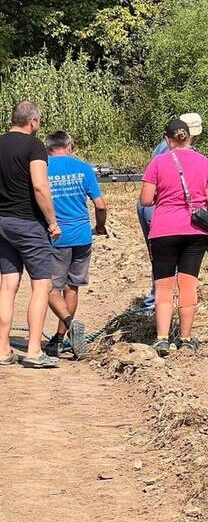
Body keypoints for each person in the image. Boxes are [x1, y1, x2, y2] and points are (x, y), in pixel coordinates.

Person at [140, 118, 208, 356]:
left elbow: (145, 200)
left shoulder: (158, 162)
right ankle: (185, 338)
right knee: (188, 283)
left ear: (167, 138)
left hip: (164, 229)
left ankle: (162, 338)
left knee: (163, 285)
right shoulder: (205, 162)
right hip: (195, 231)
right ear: (190, 137)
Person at [0, 101, 62, 368]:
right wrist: (52, 222)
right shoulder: (34, 146)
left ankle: (2, 349)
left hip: (2, 222)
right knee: (41, 286)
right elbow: (39, 186)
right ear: (33, 121)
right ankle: (34, 350)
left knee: (7, 285)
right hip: (28, 223)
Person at [43, 131, 107, 359]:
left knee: (48, 288)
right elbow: (100, 204)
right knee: (72, 287)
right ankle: (60, 339)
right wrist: (100, 227)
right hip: (82, 236)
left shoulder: (42, 169)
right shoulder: (84, 168)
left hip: (56, 236)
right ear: (69, 146)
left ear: (47, 148)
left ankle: (69, 325)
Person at [137, 112, 202, 311]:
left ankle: (156, 303)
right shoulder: (176, 151)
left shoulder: (162, 147)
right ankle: (155, 305)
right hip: (161, 209)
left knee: (160, 259)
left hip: (152, 207)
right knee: (166, 263)